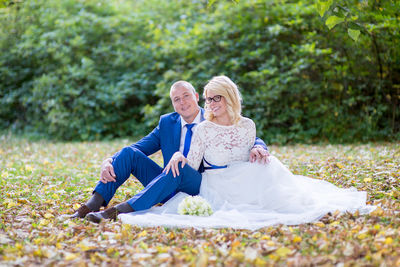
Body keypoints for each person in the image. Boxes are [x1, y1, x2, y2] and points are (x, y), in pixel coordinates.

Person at [118, 76, 375, 229]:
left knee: (289, 202)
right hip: (213, 182)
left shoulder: (248, 125)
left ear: (229, 97)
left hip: (245, 179)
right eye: (208, 99)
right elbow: (192, 164)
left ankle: (124, 207)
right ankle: (121, 208)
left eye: (215, 98)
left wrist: (258, 148)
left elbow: (247, 142)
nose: (211, 104)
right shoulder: (203, 128)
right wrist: (178, 157)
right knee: (171, 165)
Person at [64, 80, 269, 222]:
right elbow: (138, 147)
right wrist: (108, 160)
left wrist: (259, 145)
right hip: (166, 182)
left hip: (198, 184)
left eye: (186, 96)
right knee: (128, 153)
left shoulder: (213, 116)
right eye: (176, 99)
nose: (182, 102)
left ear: (197, 97)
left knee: (179, 166)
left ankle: (118, 211)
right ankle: (91, 204)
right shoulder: (167, 122)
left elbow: (240, 133)